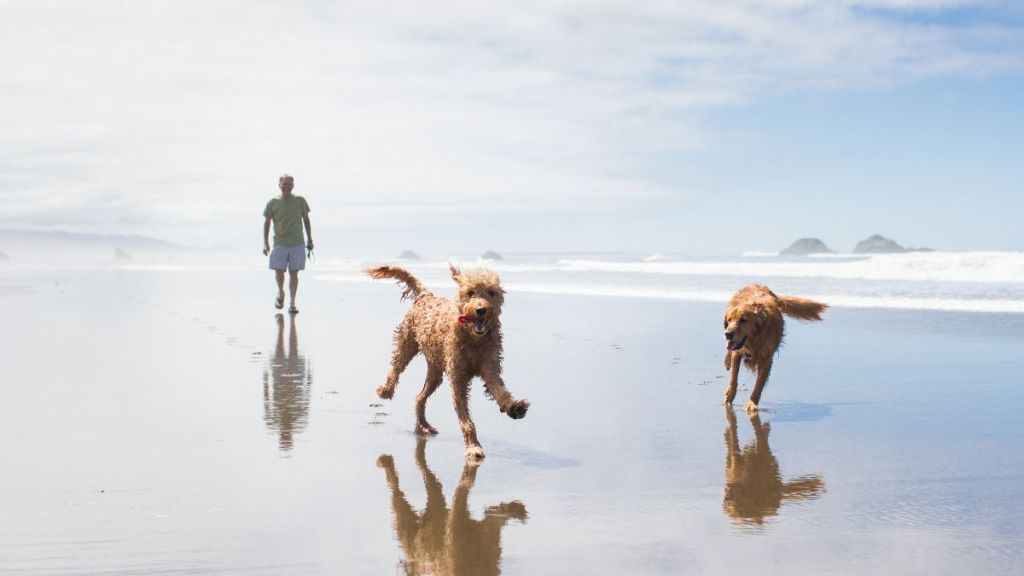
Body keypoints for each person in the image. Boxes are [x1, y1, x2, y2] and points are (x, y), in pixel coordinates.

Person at [263, 174, 313, 314]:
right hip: (279, 243)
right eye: (284, 184)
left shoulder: (300, 201)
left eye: (289, 185)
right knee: (279, 272)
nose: (286, 187)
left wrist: (309, 240)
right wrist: (265, 243)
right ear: (279, 185)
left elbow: (306, 220)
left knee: (294, 274)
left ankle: (292, 303)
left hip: (297, 243)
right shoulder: (272, 202)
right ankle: (280, 292)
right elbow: (266, 223)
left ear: (293, 186)